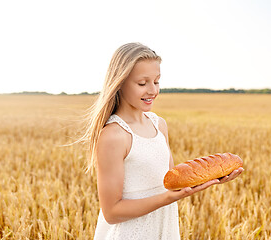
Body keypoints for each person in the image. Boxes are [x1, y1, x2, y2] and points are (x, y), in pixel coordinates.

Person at [83, 42, 244, 239]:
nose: (152, 90)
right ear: (120, 83)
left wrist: (212, 177)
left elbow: (172, 184)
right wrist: (167, 198)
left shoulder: (158, 124)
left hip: (163, 228)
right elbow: (112, 213)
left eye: (156, 81)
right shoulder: (114, 135)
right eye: (142, 83)